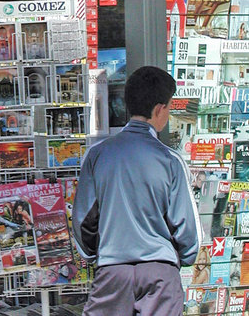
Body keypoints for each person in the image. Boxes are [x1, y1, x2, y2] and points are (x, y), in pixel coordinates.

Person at [72, 66, 201, 316]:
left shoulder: (97, 155)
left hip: (112, 272)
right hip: (160, 275)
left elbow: (83, 221)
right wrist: (183, 257)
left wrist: (97, 253)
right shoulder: (170, 160)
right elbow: (188, 234)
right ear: (159, 109)